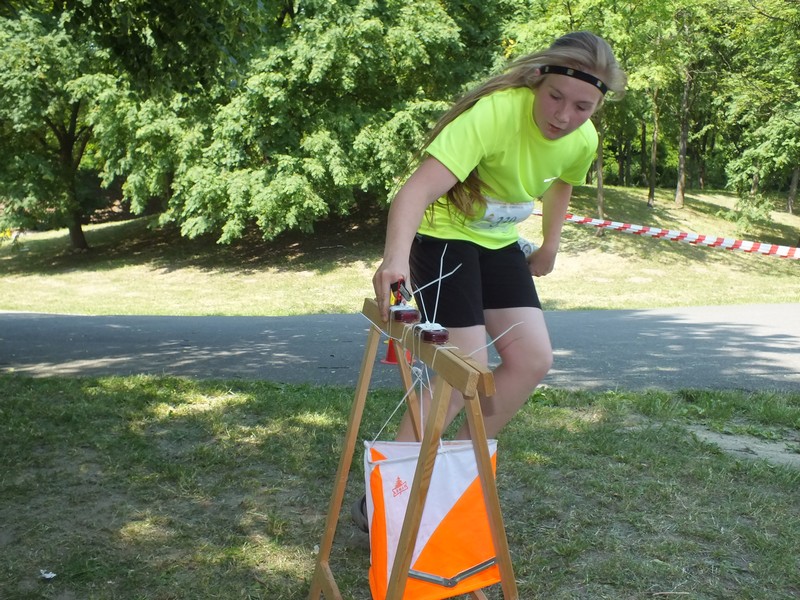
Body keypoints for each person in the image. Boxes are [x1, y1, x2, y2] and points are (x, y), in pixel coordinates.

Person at [354, 31, 626, 531]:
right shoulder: (497, 113)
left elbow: (561, 185)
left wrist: (549, 246)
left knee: (533, 359)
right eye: (556, 98)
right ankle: (384, 497)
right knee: (465, 372)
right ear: (539, 80)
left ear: (598, 107)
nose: (564, 116)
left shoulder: (581, 139)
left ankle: (452, 471)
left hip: (498, 243)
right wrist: (393, 260)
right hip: (440, 235)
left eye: (583, 107)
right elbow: (413, 193)